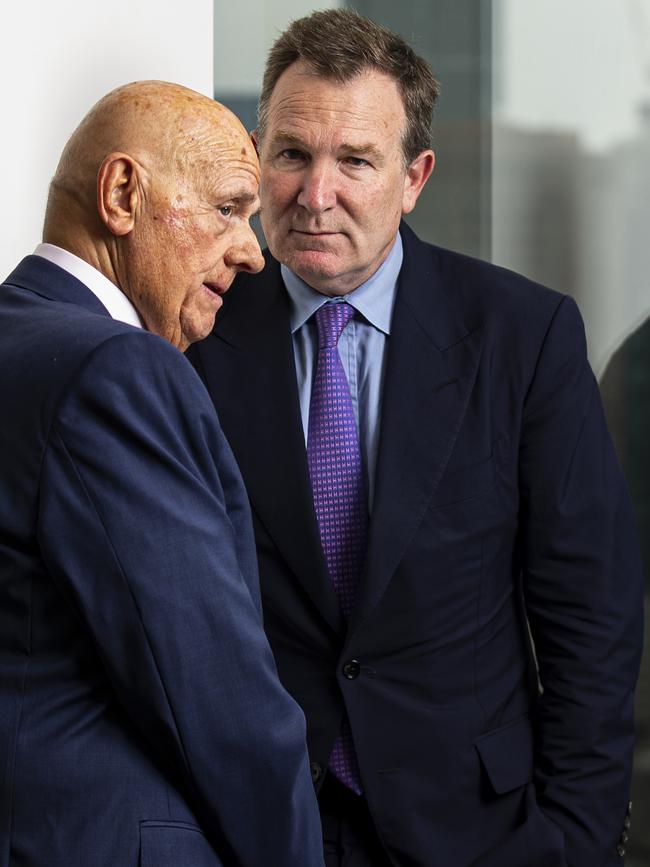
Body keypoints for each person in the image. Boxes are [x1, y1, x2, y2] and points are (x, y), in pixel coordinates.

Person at [186, 10, 645, 867]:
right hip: (258, 825)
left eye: (355, 160)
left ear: (414, 176)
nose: (315, 195)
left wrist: (574, 838)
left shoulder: (523, 336)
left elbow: (592, 613)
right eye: (291, 154)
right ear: (257, 157)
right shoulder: (195, 333)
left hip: (484, 829)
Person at [0, 80, 325, 867]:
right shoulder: (116, 369)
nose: (252, 251)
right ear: (121, 194)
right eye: (225, 208)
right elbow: (219, 702)